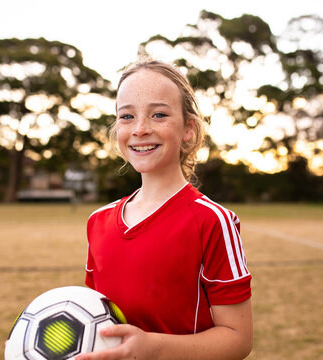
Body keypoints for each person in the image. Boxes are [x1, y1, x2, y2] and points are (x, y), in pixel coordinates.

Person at [76, 60, 253, 360]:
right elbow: (93, 322)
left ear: (188, 128)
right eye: (127, 116)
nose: (141, 129)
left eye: (159, 114)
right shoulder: (99, 221)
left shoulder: (213, 221)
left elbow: (238, 339)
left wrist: (154, 348)